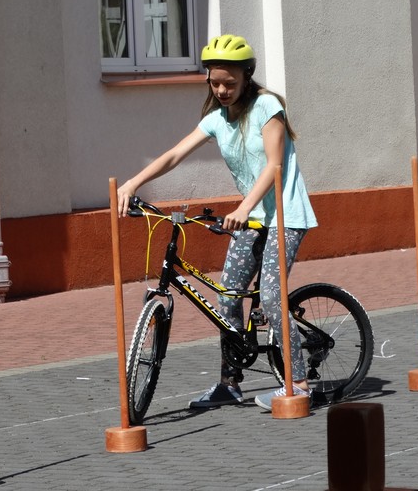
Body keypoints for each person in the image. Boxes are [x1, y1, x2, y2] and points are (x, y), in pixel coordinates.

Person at [117, 34, 318, 411]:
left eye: (230, 82)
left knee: (272, 296)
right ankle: (230, 383)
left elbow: (274, 166)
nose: (222, 90)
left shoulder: (267, 107)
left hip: (285, 214)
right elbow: (175, 154)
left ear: (246, 77)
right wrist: (133, 183)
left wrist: (244, 207)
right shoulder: (216, 120)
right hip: (252, 218)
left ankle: (301, 383)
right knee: (228, 297)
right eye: (215, 83)